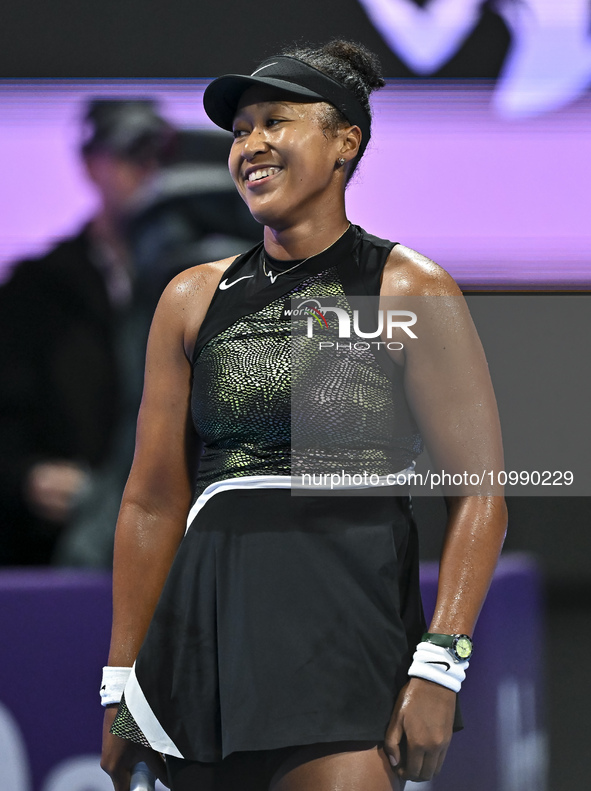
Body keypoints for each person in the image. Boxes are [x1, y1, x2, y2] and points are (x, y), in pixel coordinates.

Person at [100, 40, 507, 790]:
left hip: (347, 637)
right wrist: (122, 678)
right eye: (240, 129)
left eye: (274, 122)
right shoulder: (191, 298)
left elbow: (479, 492)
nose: (250, 144)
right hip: (204, 639)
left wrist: (440, 662)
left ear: (344, 142)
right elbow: (152, 502)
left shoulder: (409, 288)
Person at [0, 99, 174, 565]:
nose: (147, 171)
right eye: (129, 155)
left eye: (159, 156)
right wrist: (23, 476)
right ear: (91, 165)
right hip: (67, 540)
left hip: (182, 536)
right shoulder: (35, 291)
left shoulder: (210, 281)